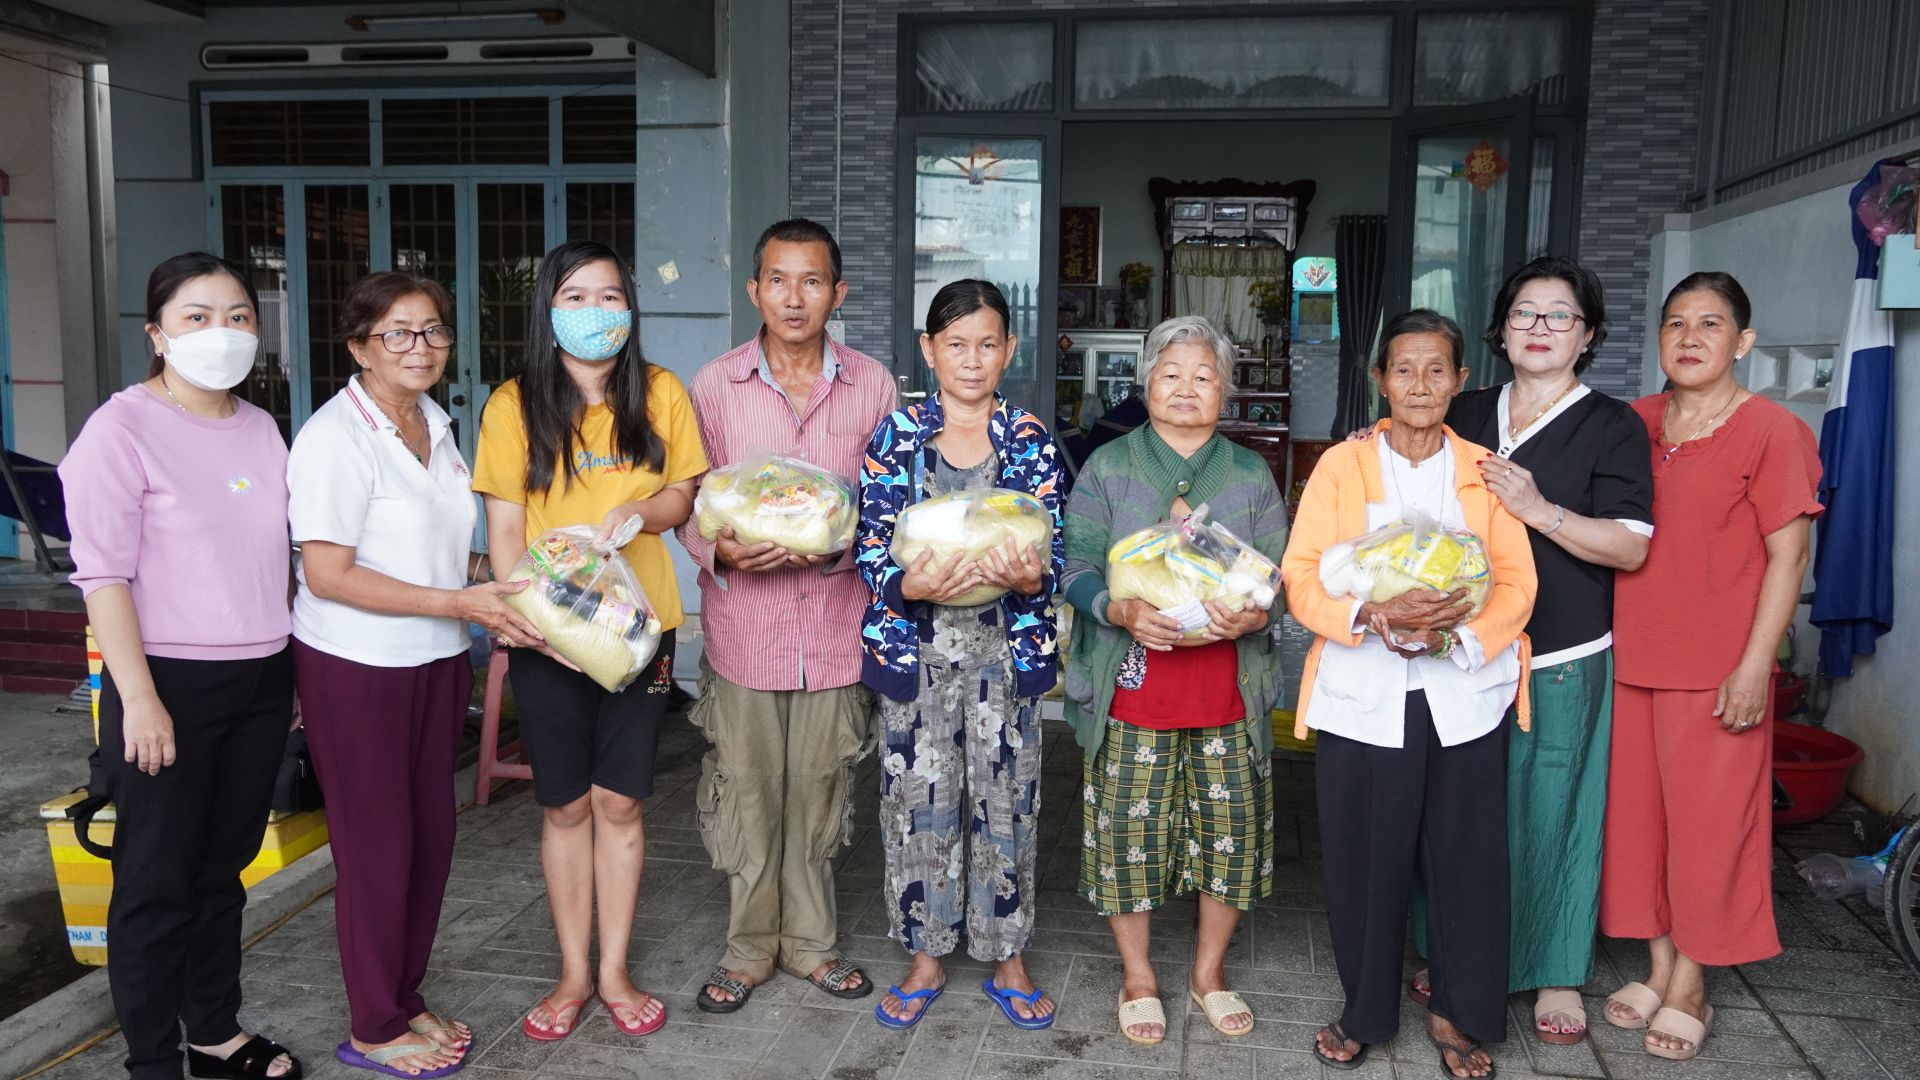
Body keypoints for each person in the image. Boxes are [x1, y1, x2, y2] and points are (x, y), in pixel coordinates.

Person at [288, 272, 542, 1076]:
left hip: (435, 660)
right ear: (358, 347)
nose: (419, 347)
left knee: (429, 839)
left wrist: (517, 579)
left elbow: (438, 549)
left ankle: (404, 995)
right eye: (396, 333)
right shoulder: (335, 437)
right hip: (356, 667)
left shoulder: (435, 422)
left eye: (432, 330)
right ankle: (373, 1024)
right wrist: (461, 601)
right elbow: (327, 574)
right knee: (376, 846)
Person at [60, 252, 302, 1080]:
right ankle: (153, 1061)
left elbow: (273, 557)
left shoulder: (261, 427)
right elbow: (103, 578)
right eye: (196, 317)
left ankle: (215, 1033)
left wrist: (289, 670)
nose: (220, 332)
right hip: (165, 683)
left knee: (221, 872)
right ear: (157, 335)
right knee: (155, 882)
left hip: (262, 679)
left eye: (238, 316)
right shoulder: (120, 430)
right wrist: (137, 699)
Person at [1404, 257, 1653, 1045]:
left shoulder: (1611, 424)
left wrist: (1541, 511)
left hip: (1561, 653)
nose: (1539, 328)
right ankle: (1453, 950)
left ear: (1587, 335)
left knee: (1554, 811)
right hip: (1464, 647)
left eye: (1559, 315)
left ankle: (1555, 970)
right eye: (1524, 313)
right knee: (1457, 810)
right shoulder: (1467, 409)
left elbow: (1631, 546)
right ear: (1502, 329)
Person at [1282, 310, 1537, 1078]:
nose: (1420, 385)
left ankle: (1459, 1009)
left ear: (1461, 380)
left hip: (1465, 693)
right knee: (1365, 861)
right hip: (1364, 691)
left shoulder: (1486, 471)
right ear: (1380, 380)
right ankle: (1365, 1010)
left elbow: (1517, 582)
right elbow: (1301, 574)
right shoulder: (1342, 466)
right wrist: (1371, 614)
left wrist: (1455, 636)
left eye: (1436, 370)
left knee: (1467, 860)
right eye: (1403, 369)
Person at [473, 240, 708, 1041]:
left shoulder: (661, 391)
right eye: (575, 297)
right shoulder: (513, 406)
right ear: (548, 309)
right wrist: (531, 626)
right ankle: (573, 971)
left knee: (621, 799)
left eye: (610, 297)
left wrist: (642, 511)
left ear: (630, 308)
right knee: (567, 804)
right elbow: (506, 533)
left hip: (639, 632)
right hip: (547, 634)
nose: (595, 312)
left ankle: (614, 972)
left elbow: (683, 494)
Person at [1600, 272, 1821, 1062]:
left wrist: (1755, 666)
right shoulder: (1634, 422)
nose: (1689, 338)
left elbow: (1789, 556)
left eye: (1711, 324)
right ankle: (1658, 966)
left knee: (1709, 829)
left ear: (1743, 341)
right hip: (1631, 658)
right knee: (1638, 826)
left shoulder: (1772, 431)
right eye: (1675, 323)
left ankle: (1692, 982)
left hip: (1717, 667)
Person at [677, 219, 896, 1013]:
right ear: (754, 290)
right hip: (746, 631)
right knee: (745, 789)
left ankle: (810, 944)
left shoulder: (872, 385)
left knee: (821, 790)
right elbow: (687, 500)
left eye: (811, 281)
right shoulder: (715, 386)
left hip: (835, 627)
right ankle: (746, 950)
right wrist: (722, 552)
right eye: (777, 279)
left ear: (838, 293)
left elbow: (888, 503)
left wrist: (836, 549)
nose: (793, 297)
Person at [1060, 315, 1286, 1046]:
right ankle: (1139, 977)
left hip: (1225, 691)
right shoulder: (1110, 464)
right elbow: (1075, 564)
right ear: (1146, 382)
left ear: (1225, 390)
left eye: (1204, 376)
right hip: (1134, 691)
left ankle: (1208, 973)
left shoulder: (1248, 473)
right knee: (1128, 836)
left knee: (1232, 837)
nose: (1187, 388)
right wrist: (1118, 608)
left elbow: (1278, 576)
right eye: (1171, 373)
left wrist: (1255, 614)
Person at [856, 280, 1064, 1030]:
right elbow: (868, 541)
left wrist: (1032, 577)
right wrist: (905, 583)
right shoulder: (897, 436)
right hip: (918, 654)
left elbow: (1056, 548)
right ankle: (926, 954)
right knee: (919, 804)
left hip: (1004, 654)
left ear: (1009, 349)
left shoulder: (1030, 439)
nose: (971, 360)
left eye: (986, 344)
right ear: (928, 350)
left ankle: (1007, 954)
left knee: (1008, 802)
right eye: (955, 344)